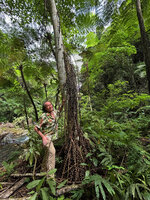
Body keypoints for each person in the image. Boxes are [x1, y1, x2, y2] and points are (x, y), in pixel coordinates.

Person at [34, 100, 64, 173]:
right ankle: (50, 176)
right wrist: (43, 137)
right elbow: (36, 128)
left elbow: (59, 111)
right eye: (47, 106)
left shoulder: (54, 113)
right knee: (52, 153)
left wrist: (63, 103)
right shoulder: (44, 116)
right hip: (47, 138)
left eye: (50, 104)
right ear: (45, 108)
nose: (50, 106)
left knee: (47, 155)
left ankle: (43, 172)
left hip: (51, 138)